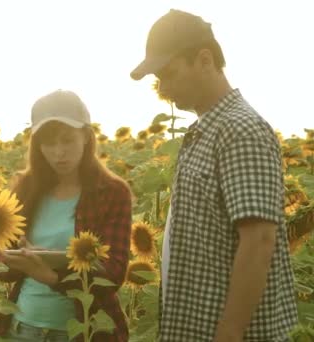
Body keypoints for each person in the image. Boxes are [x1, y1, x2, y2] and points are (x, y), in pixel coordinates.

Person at [130, 9, 298, 342]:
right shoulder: (207, 130)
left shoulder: (241, 130)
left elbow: (259, 240)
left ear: (205, 60)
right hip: (196, 326)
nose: (163, 87)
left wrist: (229, 333)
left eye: (169, 72)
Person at [0, 89, 133, 341]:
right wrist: (11, 255)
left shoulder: (111, 192)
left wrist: (50, 276)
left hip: (84, 331)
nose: (59, 152)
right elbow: (1, 267)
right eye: (49, 142)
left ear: (87, 137)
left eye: (67, 140)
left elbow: (113, 273)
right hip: (21, 328)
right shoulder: (25, 188)